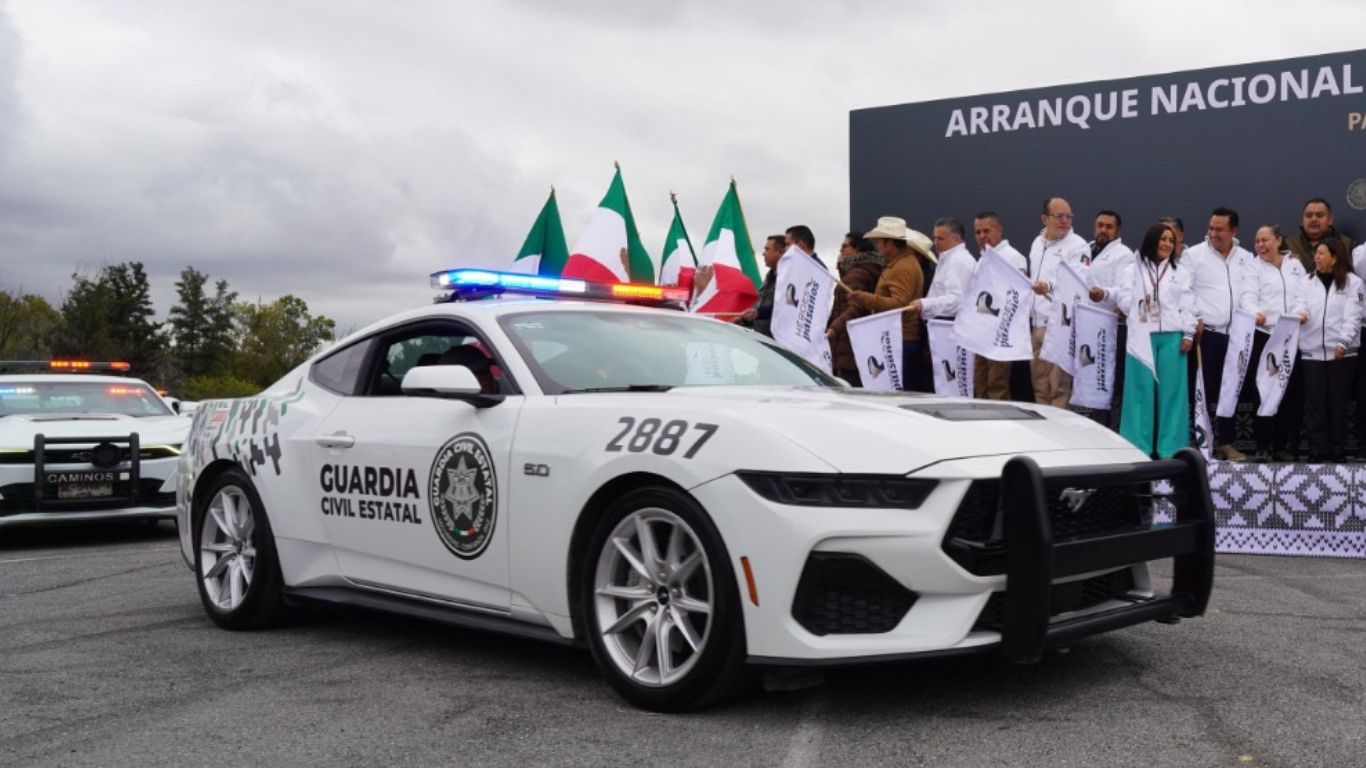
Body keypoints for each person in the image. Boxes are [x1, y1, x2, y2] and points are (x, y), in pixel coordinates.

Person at [1088, 223, 1196, 458]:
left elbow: (1187, 304)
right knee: (1139, 391)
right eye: (1163, 239)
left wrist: (1188, 333)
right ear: (1152, 240)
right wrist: (1136, 304)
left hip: (1172, 337)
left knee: (1172, 394)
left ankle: (1171, 449)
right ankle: (1138, 446)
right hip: (1140, 337)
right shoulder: (1133, 269)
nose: (1167, 244)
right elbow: (1122, 296)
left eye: (1171, 240)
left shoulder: (1180, 272)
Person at [1185, 207, 1257, 462]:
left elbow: (1250, 291)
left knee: (1230, 391)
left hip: (1237, 336)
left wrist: (1252, 313)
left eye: (1220, 229)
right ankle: (1200, 442)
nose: (1213, 234)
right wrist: (1195, 317)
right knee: (1203, 391)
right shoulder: (1193, 255)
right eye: (1211, 228)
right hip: (1207, 335)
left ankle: (1226, 443)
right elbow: (1184, 291)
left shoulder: (1246, 257)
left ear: (1234, 231)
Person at [1243, 225, 1308, 461]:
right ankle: (1261, 445)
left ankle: (1281, 445)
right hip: (1264, 335)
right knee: (1263, 389)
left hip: (1290, 335)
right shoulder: (1252, 266)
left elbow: (1304, 294)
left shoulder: (1295, 264)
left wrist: (1300, 312)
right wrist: (1256, 312)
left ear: (1278, 240)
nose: (1260, 245)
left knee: (1288, 390)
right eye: (1257, 241)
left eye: (1265, 240)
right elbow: (1246, 296)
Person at [843, 217, 929, 391]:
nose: (876, 246)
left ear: (889, 243)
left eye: (878, 241)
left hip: (900, 340)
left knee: (897, 393)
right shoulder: (901, 263)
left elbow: (900, 304)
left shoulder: (903, 267)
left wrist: (864, 298)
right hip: (898, 338)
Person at [1299, 238, 1364, 463]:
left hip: (1342, 353)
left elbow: (1353, 316)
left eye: (1321, 253)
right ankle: (1317, 450)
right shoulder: (1306, 281)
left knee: (1339, 403)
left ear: (1334, 257)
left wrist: (1344, 342)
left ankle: (1338, 450)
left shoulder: (1353, 282)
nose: (1316, 257)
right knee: (1315, 403)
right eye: (1316, 253)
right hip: (1312, 352)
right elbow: (1299, 304)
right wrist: (1300, 314)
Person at [1028, 197, 1090, 407]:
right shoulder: (1037, 243)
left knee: (1059, 387)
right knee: (1039, 385)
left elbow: (1078, 281)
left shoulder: (1078, 246)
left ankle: (1060, 426)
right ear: (1044, 219)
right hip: (1037, 324)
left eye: (1068, 216)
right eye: (1059, 216)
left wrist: (1049, 287)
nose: (1065, 221)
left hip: (1061, 325)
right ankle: (1043, 426)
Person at [1078, 210, 1133, 426]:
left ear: (1118, 231)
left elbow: (1123, 290)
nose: (1103, 230)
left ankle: (1114, 431)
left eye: (1109, 227)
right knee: (1090, 382)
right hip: (1087, 327)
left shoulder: (1124, 255)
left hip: (1112, 329)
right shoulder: (1085, 250)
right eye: (1100, 225)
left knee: (1110, 383)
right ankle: (1093, 428)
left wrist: (1103, 294)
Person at [970, 212, 1030, 400]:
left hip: (1002, 333)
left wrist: (1002, 329)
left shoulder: (1014, 257)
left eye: (986, 231)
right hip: (982, 331)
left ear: (999, 230)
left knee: (997, 385)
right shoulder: (982, 259)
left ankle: (1001, 419)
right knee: (980, 384)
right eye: (978, 232)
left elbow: (1017, 297)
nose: (982, 236)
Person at [826, 232, 884, 386]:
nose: (841, 251)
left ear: (857, 249)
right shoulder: (865, 270)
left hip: (848, 343)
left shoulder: (857, 274)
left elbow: (856, 308)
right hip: (856, 342)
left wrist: (834, 328)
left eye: (845, 246)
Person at [908, 216, 974, 319]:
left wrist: (925, 304)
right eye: (935, 238)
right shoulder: (950, 258)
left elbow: (956, 300)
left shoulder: (958, 261)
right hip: (942, 322)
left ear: (956, 239)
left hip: (947, 324)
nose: (935, 242)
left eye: (940, 239)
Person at [735, 235, 786, 337]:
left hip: (776, 340)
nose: (763, 253)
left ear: (779, 252)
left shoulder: (788, 279)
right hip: (760, 337)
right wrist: (745, 320)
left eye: (767, 249)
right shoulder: (769, 276)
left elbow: (781, 308)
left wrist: (757, 313)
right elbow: (759, 309)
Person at [1288, 198, 1355, 273]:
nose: (1313, 219)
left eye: (1319, 215)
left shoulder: (1345, 244)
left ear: (1330, 219)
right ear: (1302, 220)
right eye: (1308, 216)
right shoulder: (1289, 245)